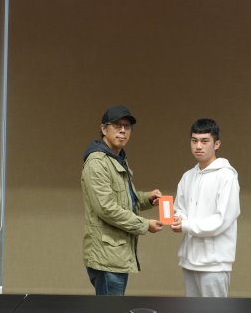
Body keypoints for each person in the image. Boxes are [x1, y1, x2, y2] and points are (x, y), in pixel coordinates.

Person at [81, 105, 164, 296]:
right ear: (104, 129)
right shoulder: (97, 162)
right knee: (110, 308)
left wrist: (147, 198)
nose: (123, 131)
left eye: (127, 127)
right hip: (106, 256)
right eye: (117, 126)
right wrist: (145, 225)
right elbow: (106, 208)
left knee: (114, 306)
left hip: (116, 254)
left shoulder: (117, 159)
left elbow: (125, 200)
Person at [171, 118, 240, 297]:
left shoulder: (226, 176)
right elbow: (180, 208)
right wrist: (178, 219)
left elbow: (222, 220)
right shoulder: (188, 176)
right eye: (194, 141)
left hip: (214, 264)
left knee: (213, 309)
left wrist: (186, 225)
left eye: (204, 141)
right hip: (189, 260)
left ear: (217, 144)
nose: (198, 146)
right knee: (191, 309)